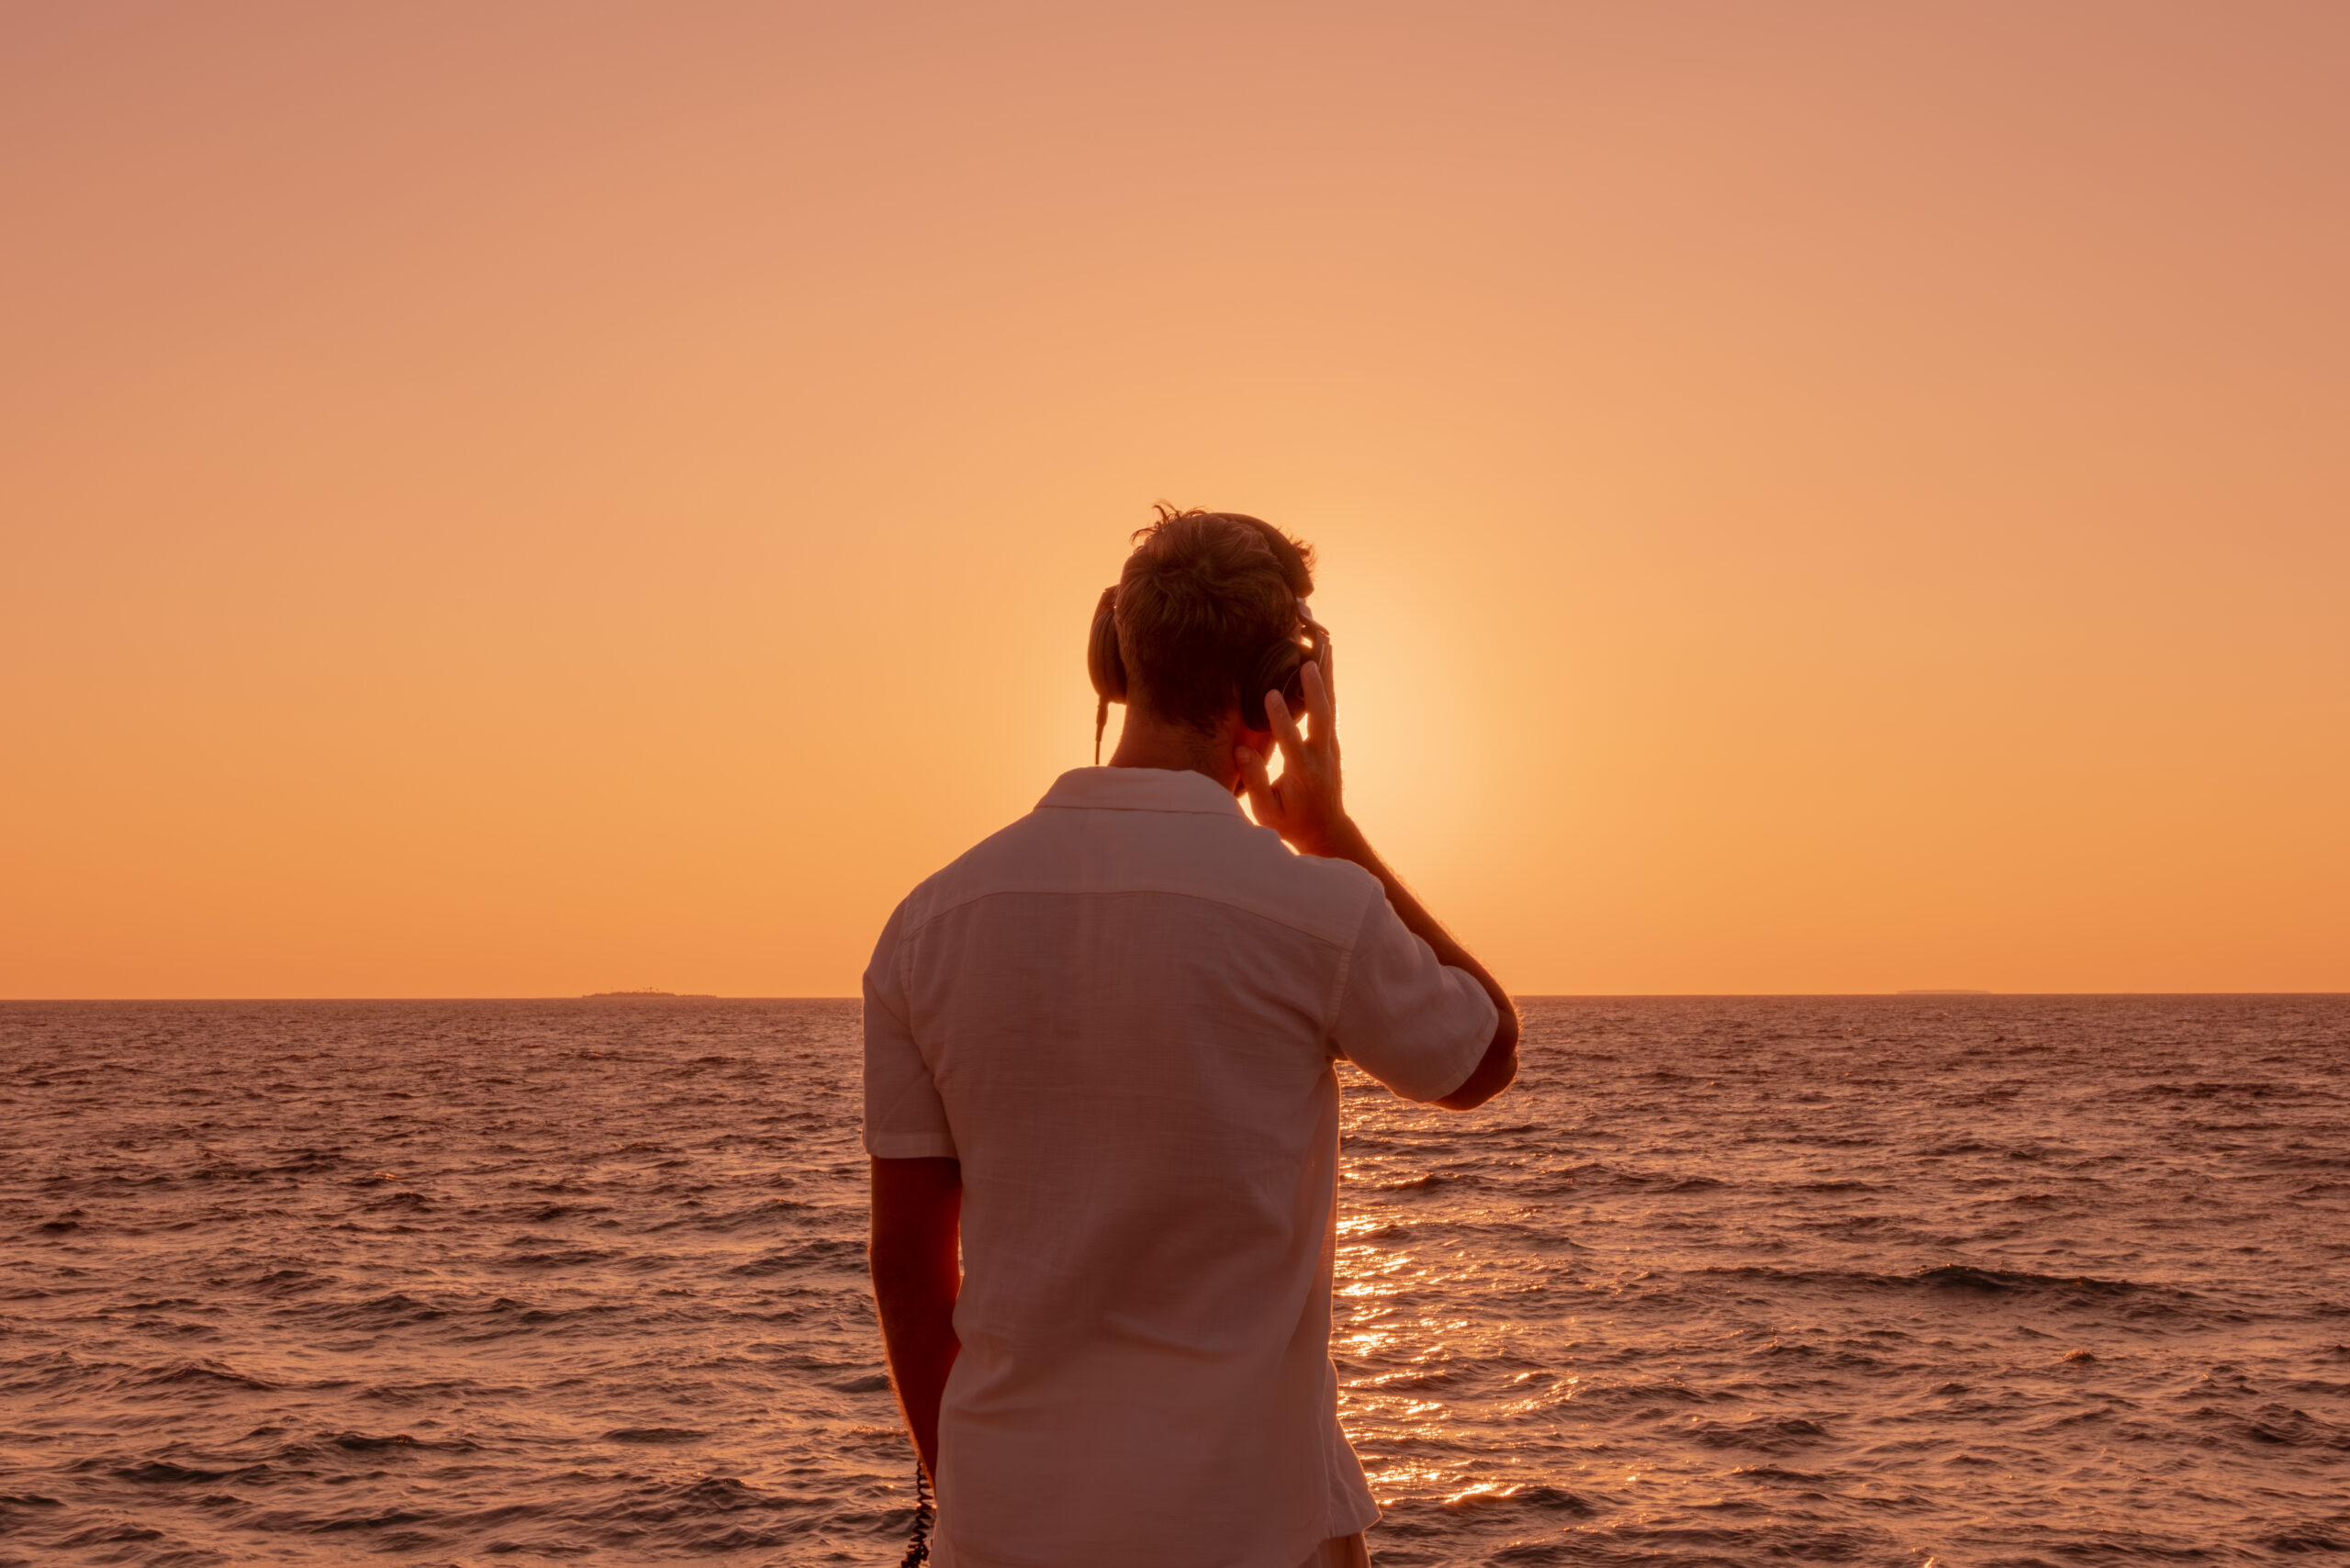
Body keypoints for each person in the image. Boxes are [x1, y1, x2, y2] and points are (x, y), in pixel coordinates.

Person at [863, 509, 1519, 1568]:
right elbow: (1482, 1055)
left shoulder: (928, 924)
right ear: (1280, 691)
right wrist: (1329, 834)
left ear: (1114, 660)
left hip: (1006, 1533)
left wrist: (989, 1496)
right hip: (1253, 1528)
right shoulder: (1315, 911)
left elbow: (907, 1270)